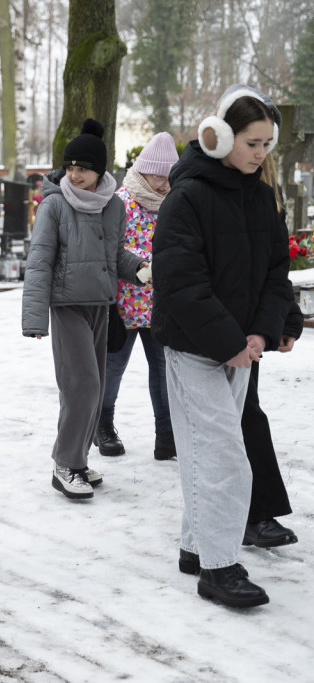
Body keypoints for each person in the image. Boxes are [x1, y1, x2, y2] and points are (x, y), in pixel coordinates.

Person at [153, 85, 294, 608]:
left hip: (241, 348)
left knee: (204, 450)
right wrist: (230, 339)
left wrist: (268, 328)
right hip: (195, 349)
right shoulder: (188, 197)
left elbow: (275, 270)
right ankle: (219, 567)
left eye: (267, 144)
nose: (261, 154)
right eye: (252, 143)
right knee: (224, 457)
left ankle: (197, 546)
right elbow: (180, 281)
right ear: (220, 138)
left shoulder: (260, 196)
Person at [22, 119, 144, 500]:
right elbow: (39, 260)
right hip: (67, 306)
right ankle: (64, 463)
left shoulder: (114, 206)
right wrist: (34, 317)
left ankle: (77, 459)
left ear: (99, 171)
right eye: (70, 167)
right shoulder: (54, 205)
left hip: (100, 306)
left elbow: (113, 254)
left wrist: (140, 268)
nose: (75, 175)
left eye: (84, 168)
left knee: (96, 386)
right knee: (82, 385)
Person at [95, 132, 179, 461]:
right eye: (157, 176)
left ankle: (167, 435)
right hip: (122, 305)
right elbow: (108, 249)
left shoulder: (174, 204)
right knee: (112, 369)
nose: (162, 184)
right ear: (143, 171)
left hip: (161, 306)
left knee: (162, 369)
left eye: (167, 177)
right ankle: (103, 425)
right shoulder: (119, 202)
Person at [239, 153, 302, 549]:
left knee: (247, 417)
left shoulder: (267, 198)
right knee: (241, 421)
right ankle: (246, 514)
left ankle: (255, 512)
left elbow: (273, 271)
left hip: (251, 331)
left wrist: (286, 321)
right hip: (214, 330)